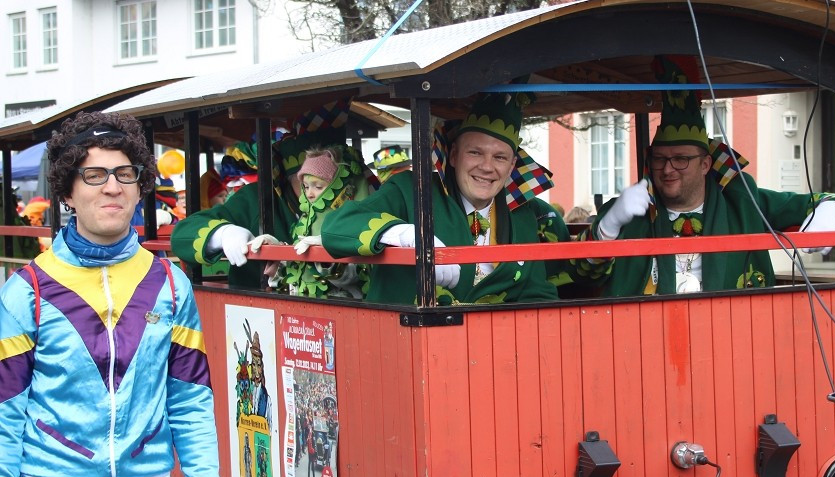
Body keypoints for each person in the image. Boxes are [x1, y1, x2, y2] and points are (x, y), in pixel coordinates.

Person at [0, 111, 225, 477]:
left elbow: (190, 399)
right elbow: (4, 417)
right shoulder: (26, 293)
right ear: (66, 191)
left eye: (125, 174)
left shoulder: (171, 285)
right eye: (94, 175)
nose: (112, 188)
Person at [588, 56, 835, 294]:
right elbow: (583, 275)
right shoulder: (629, 210)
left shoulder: (742, 201)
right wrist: (608, 227)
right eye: (659, 159)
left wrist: (832, 211)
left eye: (681, 159)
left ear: (706, 164)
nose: (668, 169)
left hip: (730, 334)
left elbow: (831, 203)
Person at [321, 91, 561, 304]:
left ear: (511, 167)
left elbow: (537, 293)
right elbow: (336, 226)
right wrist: (405, 235)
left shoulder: (522, 215)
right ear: (454, 155)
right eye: (475, 152)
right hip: (407, 345)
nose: (487, 167)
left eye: (499, 157)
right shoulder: (410, 190)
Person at [170, 103, 348, 288]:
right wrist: (223, 233)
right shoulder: (256, 197)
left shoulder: (357, 196)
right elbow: (183, 234)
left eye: (335, 181)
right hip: (255, 310)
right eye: (311, 183)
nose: (326, 191)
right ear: (291, 176)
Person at [273, 146, 371, 298]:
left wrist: (326, 258)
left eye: (318, 186)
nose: (309, 194)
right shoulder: (303, 222)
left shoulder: (354, 220)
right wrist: (277, 254)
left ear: (336, 187)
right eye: (305, 187)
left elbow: (357, 275)